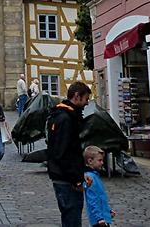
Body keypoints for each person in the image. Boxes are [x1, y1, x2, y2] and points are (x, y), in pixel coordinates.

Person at [46, 81, 92, 227]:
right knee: (72, 219)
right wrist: (76, 179)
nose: (87, 103)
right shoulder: (65, 118)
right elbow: (63, 153)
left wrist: (81, 173)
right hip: (66, 180)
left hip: (63, 176)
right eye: (86, 99)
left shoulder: (63, 115)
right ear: (77, 96)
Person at [83, 145, 115, 226]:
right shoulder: (90, 178)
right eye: (99, 160)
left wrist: (108, 211)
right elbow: (92, 199)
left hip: (102, 217)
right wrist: (99, 218)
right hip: (98, 220)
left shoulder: (95, 175)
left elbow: (100, 198)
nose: (102, 163)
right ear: (90, 161)